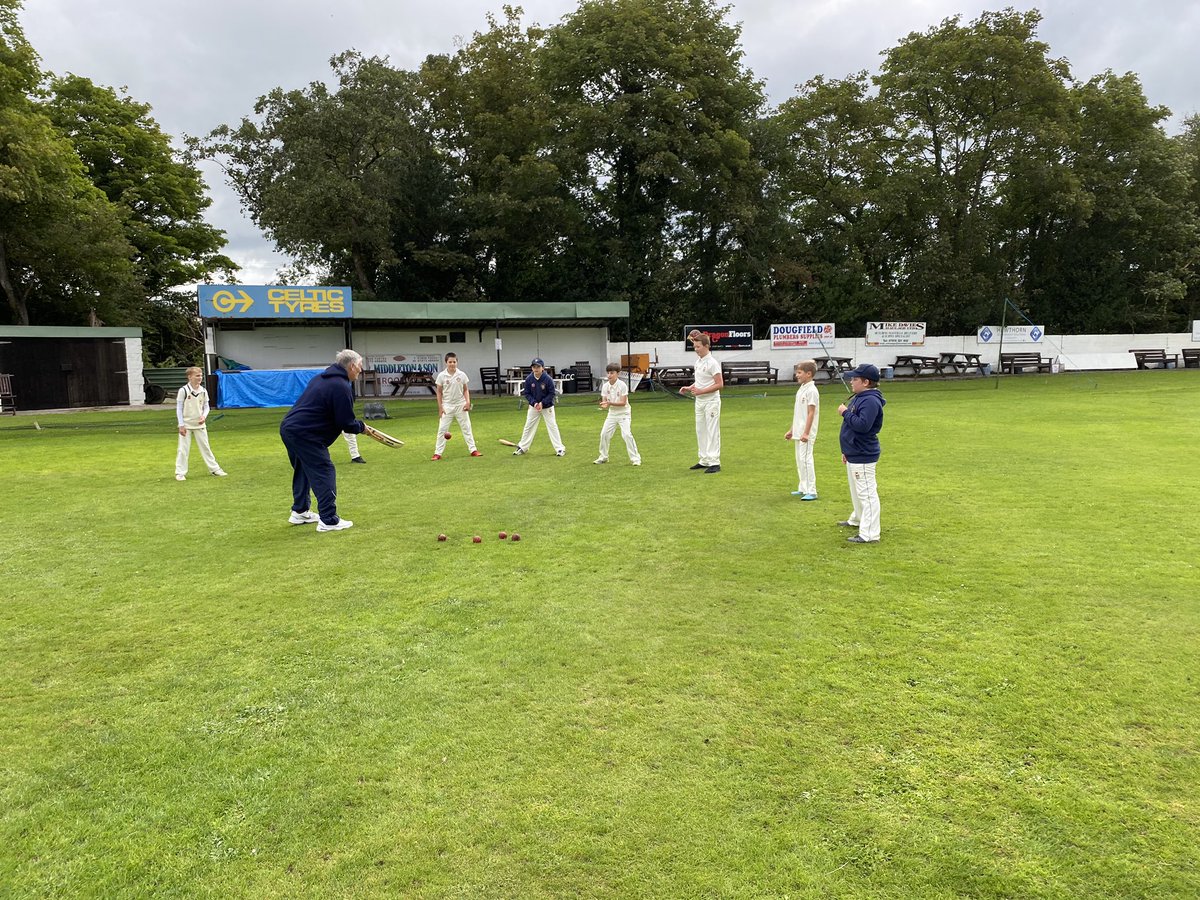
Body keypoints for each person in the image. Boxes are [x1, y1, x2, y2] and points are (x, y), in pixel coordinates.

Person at [279, 349, 367, 532]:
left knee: (303, 468)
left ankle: (300, 511)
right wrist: (362, 427)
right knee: (324, 470)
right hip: (306, 434)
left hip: (290, 429)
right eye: (359, 365)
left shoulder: (322, 378)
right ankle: (329, 519)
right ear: (351, 366)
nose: (361, 369)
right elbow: (346, 423)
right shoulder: (340, 386)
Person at [837, 363, 886, 543]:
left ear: (866, 382)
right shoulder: (861, 397)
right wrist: (846, 450)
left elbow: (862, 425)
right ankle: (857, 519)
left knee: (867, 493)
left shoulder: (870, 400)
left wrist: (844, 413)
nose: (851, 381)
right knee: (857, 491)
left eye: (855, 379)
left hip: (864, 453)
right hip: (854, 451)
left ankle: (870, 534)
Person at [174, 366, 227, 481]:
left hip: (200, 424)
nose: (200, 378)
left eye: (201, 375)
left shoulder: (203, 390)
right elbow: (179, 408)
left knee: (205, 447)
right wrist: (181, 425)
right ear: (189, 377)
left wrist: (204, 416)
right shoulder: (183, 390)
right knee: (183, 449)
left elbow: (206, 406)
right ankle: (180, 473)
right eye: (197, 375)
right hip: (186, 425)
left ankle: (215, 469)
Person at [681, 333, 722, 473]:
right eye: (694, 346)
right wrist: (690, 387)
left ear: (706, 346)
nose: (696, 349)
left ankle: (714, 462)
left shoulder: (712, 363)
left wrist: (701, 391)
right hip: (700, 401)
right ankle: (704, 459)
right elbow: (701, 381)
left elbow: (719, 384)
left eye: (698, 346)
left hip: (711, 401)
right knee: (701, 430)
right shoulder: (698, 362)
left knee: (712, 431)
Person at [432, 352, 481, 460]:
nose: (452, 364)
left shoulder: (462, 375)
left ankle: (473, 450)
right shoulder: (441, 376)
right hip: (447, 406)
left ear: (457, 362)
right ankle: (437, 453)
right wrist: (440, 407)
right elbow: (439, 392)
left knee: (467, 428)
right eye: (450, 362)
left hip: (461, 405)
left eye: (454, 362)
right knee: (442, 430)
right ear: (446, 363)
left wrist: (468, 402)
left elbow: (465, 389)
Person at [513, 358, 565, 456]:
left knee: (552, 426)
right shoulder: (529, 379)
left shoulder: (548, 379)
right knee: (528, 426)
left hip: (547, 406)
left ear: (542, 368)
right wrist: (535, 403)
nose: (536, 369)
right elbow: (527, 393)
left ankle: (560, 449)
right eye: (534, 367)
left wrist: (543, 403)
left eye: (538, 367)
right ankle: (522, 447)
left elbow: (551, 393)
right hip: (534, 406)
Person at [785, 360, 820, 499]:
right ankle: (803, 486)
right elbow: (798, 413)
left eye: (799, 372)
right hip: (798, 431)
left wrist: (806, 432)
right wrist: (792, 430)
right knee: (800, 459)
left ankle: (812, 490)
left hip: (806, 432)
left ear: (809, 374)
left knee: (806, 459)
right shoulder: (802, 388)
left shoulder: (812, 391)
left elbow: (811, 412)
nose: (797, 375)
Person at [595, 363, 641, 466]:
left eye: (612, 373)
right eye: (608, 373)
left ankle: (635, 459)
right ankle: (603, 457)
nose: (609, 375)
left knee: (626, 435)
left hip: (624, 414)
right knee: (604, 434)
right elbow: (605, 402)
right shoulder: (605, 386)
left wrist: (609, 403)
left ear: (618, 373)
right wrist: (604, 405)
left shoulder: (622, 385)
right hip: (612, 414)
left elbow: (623, 403)